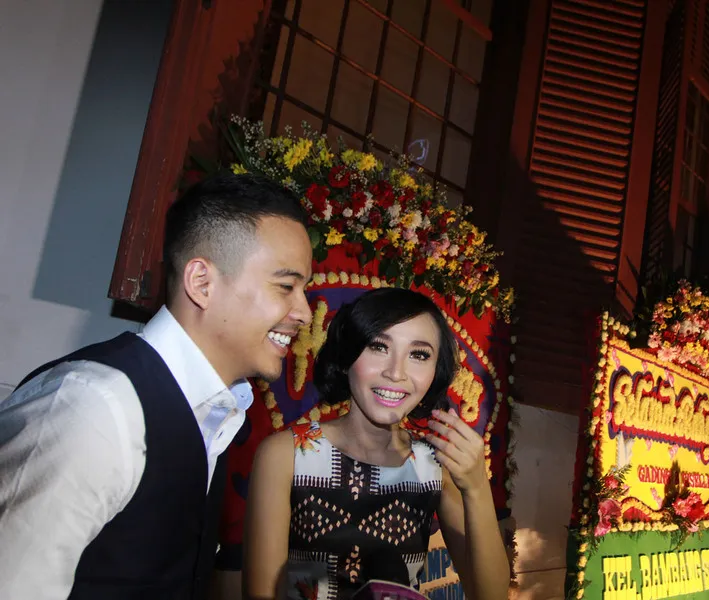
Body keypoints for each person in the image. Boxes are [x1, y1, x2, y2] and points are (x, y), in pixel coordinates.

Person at [0, 172, 314, 599]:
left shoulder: (216, 414)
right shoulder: (94, 408)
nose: (304, 313)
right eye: (286, 286)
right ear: (202, 283)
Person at [243, 288, 510, 600]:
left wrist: (477, 488)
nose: (396, 373)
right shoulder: (287, 455)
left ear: (435, 372)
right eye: (378, 347)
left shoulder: (435, 467)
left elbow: (490, 595)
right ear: (347, 357)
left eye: (419, 355)